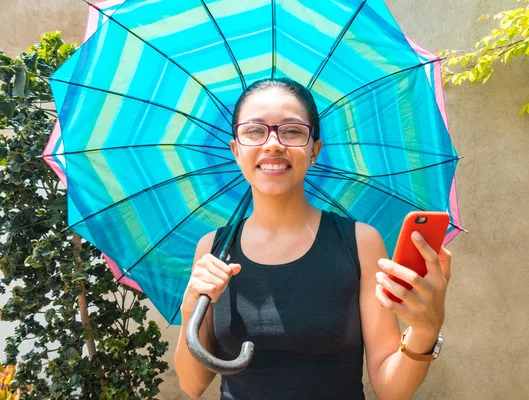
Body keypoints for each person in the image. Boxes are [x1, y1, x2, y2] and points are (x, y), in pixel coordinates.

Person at [173, 78, 452, 400]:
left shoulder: (359, 242)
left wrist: (426, 329)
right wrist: (189, 306)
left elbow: (390, 389)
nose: (273, 144)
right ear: (236, 150)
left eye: (292, 131)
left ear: (314, 150)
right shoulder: (213, 249)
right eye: (254, 131)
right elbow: (192, 385)